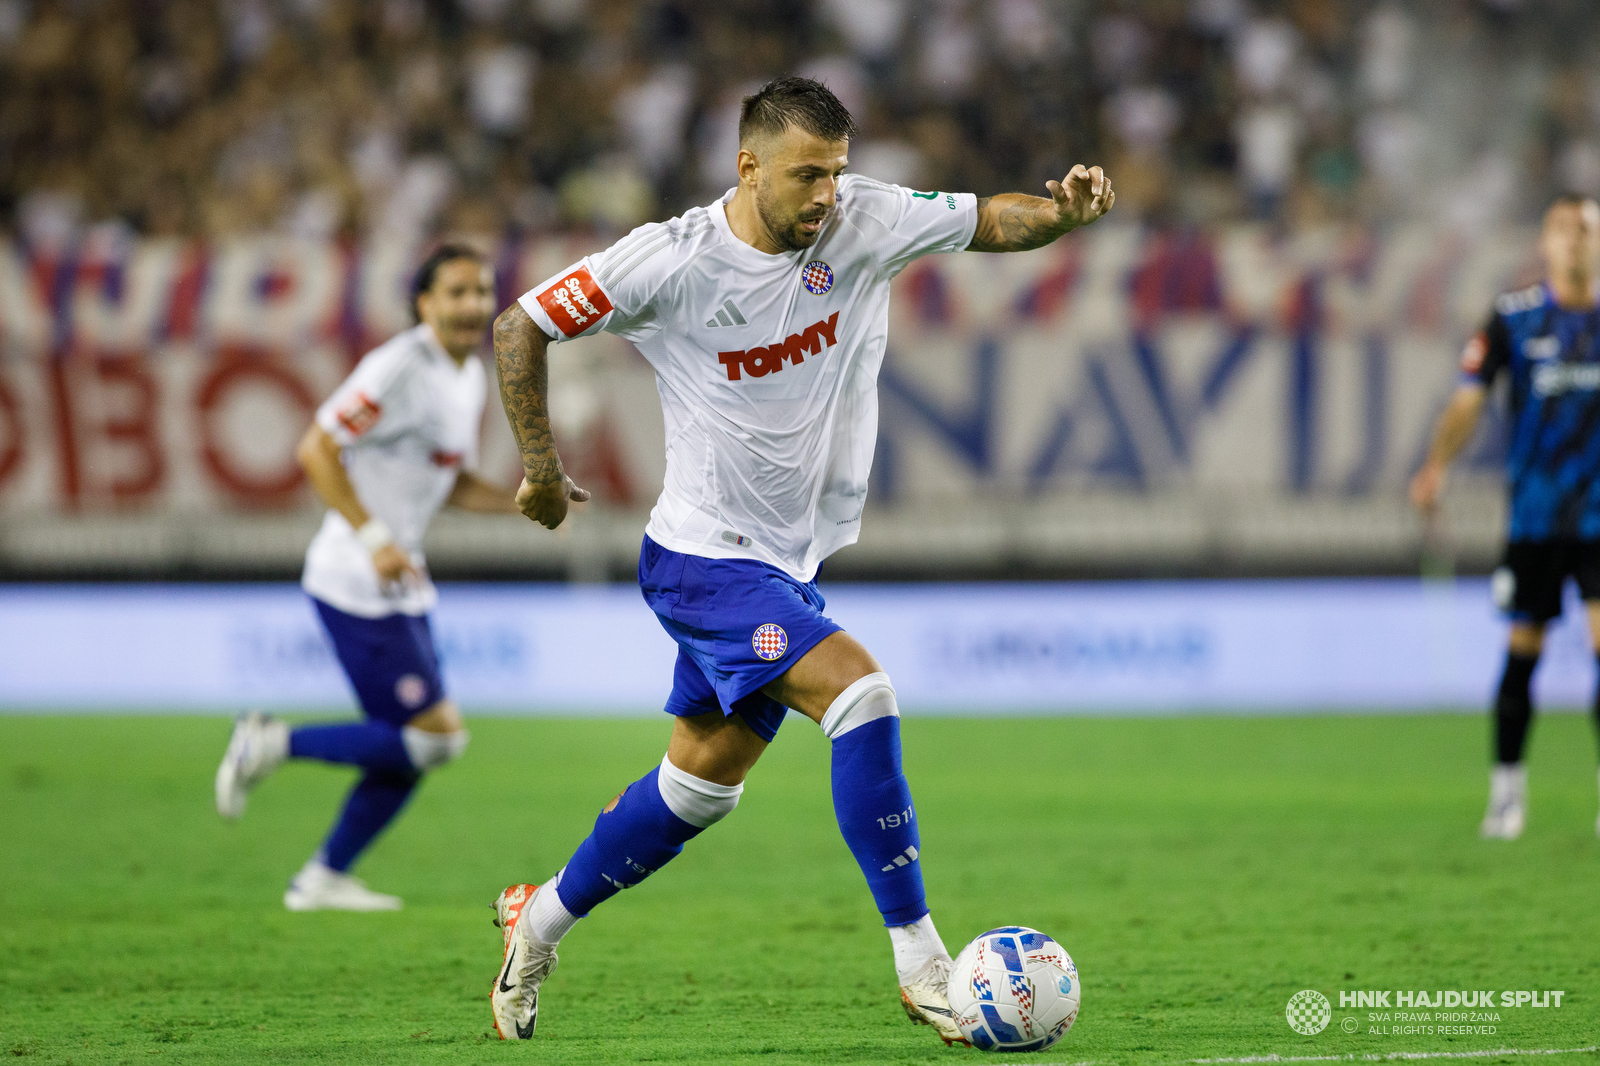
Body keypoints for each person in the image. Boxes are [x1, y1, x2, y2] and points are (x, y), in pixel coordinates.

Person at [486, 77, 1114, 1043]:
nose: (827, 194)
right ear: (748, 167)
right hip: (703, 559)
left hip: (787, 565)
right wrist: (538, 469)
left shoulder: (864, 219)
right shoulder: (671, 260)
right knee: (861, 695)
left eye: (837, 171)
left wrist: (1060, 217)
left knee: (696, 791)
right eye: (806, 175)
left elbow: (995, 219)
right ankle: (924, 967)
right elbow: (521, 324)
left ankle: (536, 925)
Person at [214, 244, 521, 910]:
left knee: (414, 744)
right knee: (436, 735)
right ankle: (274, 742)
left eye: (481, 291)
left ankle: (323, 877)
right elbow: (316, 448)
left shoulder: (465, 374)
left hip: (399, 578)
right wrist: (375, 537)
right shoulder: (398, 368)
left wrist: (518, 498)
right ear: (425, 303)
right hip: (356, 576)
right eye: (458, 292)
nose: (473, 305)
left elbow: (448, 479)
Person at [1410, 194, 1600, 840]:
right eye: (1564, 230)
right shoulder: (1514, 320)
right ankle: (1507, 793)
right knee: (1524, 650)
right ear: (1544, 245)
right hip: (1536, 517)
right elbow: (1469, 402)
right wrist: (1436, 466)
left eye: (1587, 230)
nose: (1576, 240)